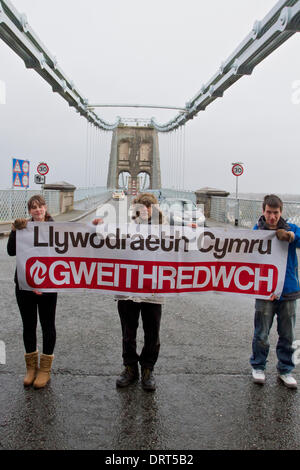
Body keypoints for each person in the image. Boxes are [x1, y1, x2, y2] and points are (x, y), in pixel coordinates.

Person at [93, 192, 166, 391]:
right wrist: (98, 227)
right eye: (140, 207)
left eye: (148, 207)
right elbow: (103, 244)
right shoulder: (123, 228)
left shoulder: (165, 230)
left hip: (153, 288)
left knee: (152, 332)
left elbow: (187, 245)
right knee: (128, 332)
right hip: (127, 288)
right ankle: (130, 368)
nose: (144, 210)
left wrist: (195, 229)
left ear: (154, 210)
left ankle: (148, 370)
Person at [7, 195, 57, 389]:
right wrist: (13, 231)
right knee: (28, 325)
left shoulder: (57, 230)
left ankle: (44, 369)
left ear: (45, 208)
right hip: (24, 284)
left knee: (47, 325)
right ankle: (31, 369)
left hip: (48, 285)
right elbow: (11, 251)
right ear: (29, 211)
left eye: (41, 206)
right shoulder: (23, 228)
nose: (38, 210)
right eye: (33, 207)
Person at [250, 194, 300, 389]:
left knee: (287, 333)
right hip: (265, 291)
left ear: (281, 212)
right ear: (263, 211)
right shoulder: (256, 232)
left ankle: (285, 369)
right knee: (261, 332)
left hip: (287, 290)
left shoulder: (290, 228)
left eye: (276, 213)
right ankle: (258, 366)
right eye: (269, 212)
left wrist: (291, 236)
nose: (272, 217)